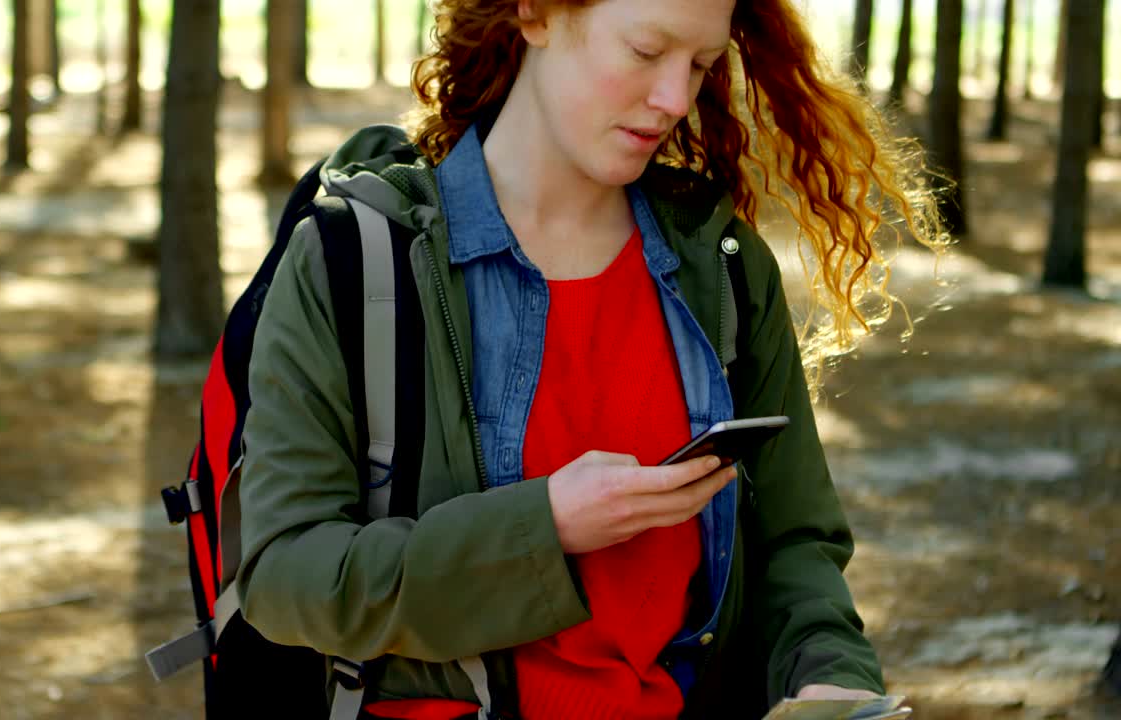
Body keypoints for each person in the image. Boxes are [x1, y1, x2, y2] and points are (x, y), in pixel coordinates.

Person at [235, 0, 948, 718]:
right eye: (645, 51)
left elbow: (795, 544)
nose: (675, 100)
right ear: (536, 14)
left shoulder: (721, 265)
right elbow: (284, 575)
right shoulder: (355, 262)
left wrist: (828, 672)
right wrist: (543, 527)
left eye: (700, 65)